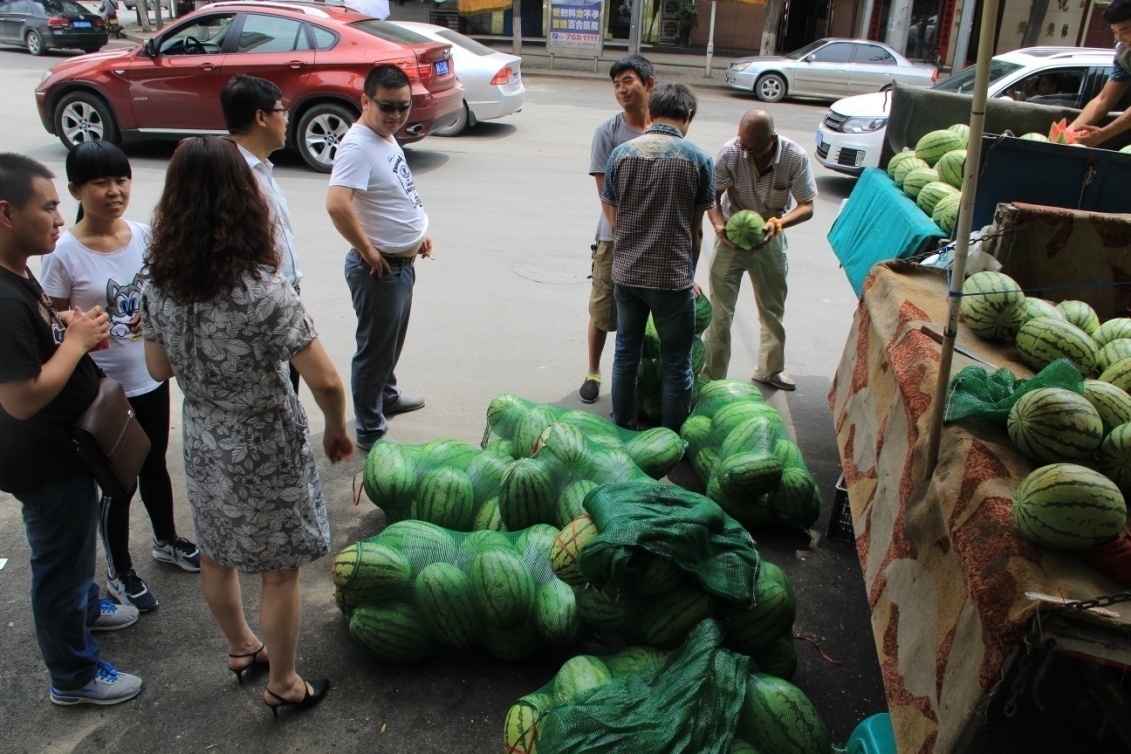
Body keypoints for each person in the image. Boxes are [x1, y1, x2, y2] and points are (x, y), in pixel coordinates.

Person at [142, 136, 352, 716]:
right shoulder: (263, 290)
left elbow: (157, 368)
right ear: (244, 200)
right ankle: (283, 682)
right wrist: (336, 428)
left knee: (216, 553)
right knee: (279, 572)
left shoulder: (158, 283)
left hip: (203, 437)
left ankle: (241, 648)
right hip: (264, 441)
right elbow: (326, 380)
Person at [0, 152, 142, 707]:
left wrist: (62, 325)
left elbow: (32, 341)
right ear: (6, 213)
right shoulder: (2, 299)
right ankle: (74, 675)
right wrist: (77, 343)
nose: (61, 218)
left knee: (76, 547)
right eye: (49, 207)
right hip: (45, 459)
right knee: (58, 564)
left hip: (67, 451)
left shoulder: (17, 270)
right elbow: (21, 397)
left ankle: (85, 606)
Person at [39, 141, 200, 614]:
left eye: (121, 179)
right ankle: (119, 571)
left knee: (154, 465)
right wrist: (77, 321)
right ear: (76, 190)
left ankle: (166, 540)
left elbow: (167, 287)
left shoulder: (146, 236)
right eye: (101, 182)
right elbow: (48, 314)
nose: (114, 191)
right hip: (102, 390)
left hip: (150, 376)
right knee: (117, 481)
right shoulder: (63, 253)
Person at [326, 64, 430, 451]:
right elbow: (337, 204)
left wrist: (418, 231)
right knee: (374, 352)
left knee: (390, 343)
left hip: (401, 264)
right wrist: (368, 249)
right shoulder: (357, 146)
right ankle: (370, 429)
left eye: (404, 106)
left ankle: (386, 396)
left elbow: (396, 191)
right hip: (379, 269)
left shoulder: (383, 137)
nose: (396, 115)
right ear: (365, 101)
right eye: (387, 106)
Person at [601, 83, 715, 431]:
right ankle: (671, 436)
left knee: (626, 355)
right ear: (688, 116)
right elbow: (696, 231)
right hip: (672, 279)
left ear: (650, 113)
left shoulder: (621, 155)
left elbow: (613, 217)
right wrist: (688, 275)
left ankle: (623, 427)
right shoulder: (699, 160)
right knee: (677, 362)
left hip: (627, 276)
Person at [700, 109, 817, 392]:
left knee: (772, 310)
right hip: (731, 233)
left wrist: (777, 224)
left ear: (772, 139)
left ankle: (770, 370)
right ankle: (712, 378)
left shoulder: (795, 157)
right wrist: (719, 227)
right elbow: (712, 196)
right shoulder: (731, 152)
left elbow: (807, 206)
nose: (746, 152)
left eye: (752, 148)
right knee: (720, 313)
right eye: (743, 144)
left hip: (771, 232)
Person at [579, 54, 654, 404]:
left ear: (648, 84)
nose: (621, 89)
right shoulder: (607, 132)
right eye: (616, 84)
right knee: (602, 309)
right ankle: (593, 372)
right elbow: (604, 193)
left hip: (655, 239)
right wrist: (624, 235)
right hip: (614, 238)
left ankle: (637, 376)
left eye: (628, 81)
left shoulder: (662, 128)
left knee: (644, 315)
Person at [221, 74, 304, 393]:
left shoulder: (262, 168)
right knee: (275, 392)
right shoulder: (233, 176)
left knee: (288, 390)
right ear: (261, 117)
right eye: (282, 110)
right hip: (262, 304)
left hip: (283, 294)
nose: (287, 119)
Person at [1070, 0, 1131, 147]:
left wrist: (1104, 133)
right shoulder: (1124, 53)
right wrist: (1070, 132)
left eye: (1125, 30)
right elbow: (1103, 99)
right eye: (1115, 32)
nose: (1119, 38)